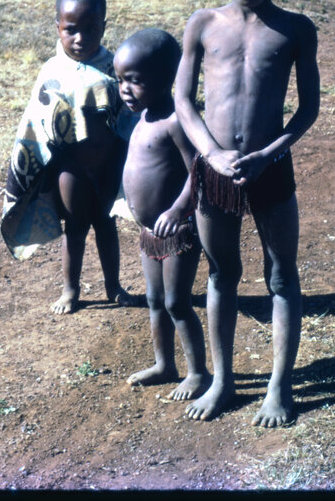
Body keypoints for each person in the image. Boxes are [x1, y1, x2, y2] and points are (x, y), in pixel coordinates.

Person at [175, 0, 320, 427]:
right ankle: (223, 380)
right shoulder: (203, 24)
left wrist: (269, 153)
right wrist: (210, 154)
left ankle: (279, 388)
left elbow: (307, 109)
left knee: (281, 276)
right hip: (215, 171)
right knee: (222, 274)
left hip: (271, 170)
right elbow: (182, 98)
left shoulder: (296, 30)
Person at [1, 0, 138, 314]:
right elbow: (36, 123)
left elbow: (130, 119)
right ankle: (70, 290)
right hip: (69, 170)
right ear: (58, 28)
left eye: (90, 29)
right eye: (71, 30)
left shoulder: (115, 68)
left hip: (107, 167)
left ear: (104, 26)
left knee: (106, 225)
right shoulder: (52, 71)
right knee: (74, 230)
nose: (80, 38)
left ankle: (113, 285)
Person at [114, 28, 212, 400]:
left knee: (176, 302)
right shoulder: (142, 117)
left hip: (178, 230)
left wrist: (177, 207)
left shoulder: (175, 120)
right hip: (148, 232)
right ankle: (164, 364)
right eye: (120, 79)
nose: (125, 89)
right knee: (154, 300)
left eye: (135, 81)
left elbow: (200, 170)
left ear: (165, 79)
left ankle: (198, 373)